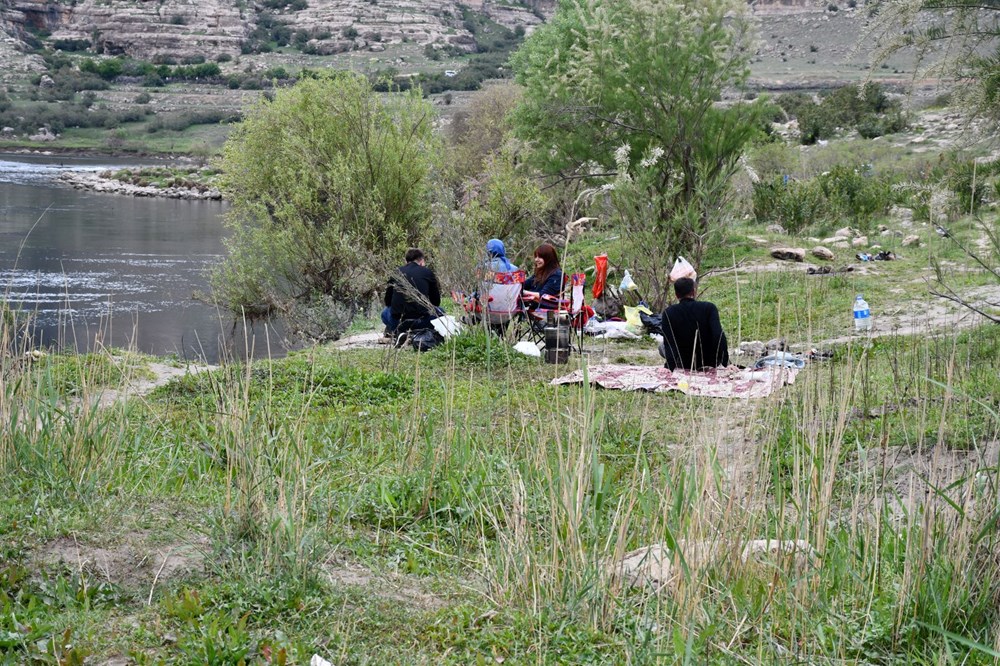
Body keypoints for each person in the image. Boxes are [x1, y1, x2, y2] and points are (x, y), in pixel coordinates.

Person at [659, 277, 729, 371]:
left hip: (684, 362)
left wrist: (669, 367)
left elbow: (669, 343)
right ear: (693, 291)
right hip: (710, 361)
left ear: (676, 294)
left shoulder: (668, 313)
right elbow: (718, 335)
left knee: (661, 347)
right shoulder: (709, 308)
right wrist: (725, 363)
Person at [382, 248, 442, 337]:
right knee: (441, 311)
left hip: (399, 321)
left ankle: (397, 331)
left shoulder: (396, 273)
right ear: (421, 261)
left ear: (406, 261)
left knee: (385, 313)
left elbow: (387, 301)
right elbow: (436, 302)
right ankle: (418, 332)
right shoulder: (428, 272)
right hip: (422, 321)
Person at [522, 243, 563, 307]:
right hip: (532, 305)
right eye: (536, 256)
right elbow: (525, 284)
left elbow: (543, 295)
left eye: (540, 257)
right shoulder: (541, 272)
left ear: (548, 258)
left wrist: (523, 292)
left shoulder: (557, 275)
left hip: (544, 309)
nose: (536, 260)